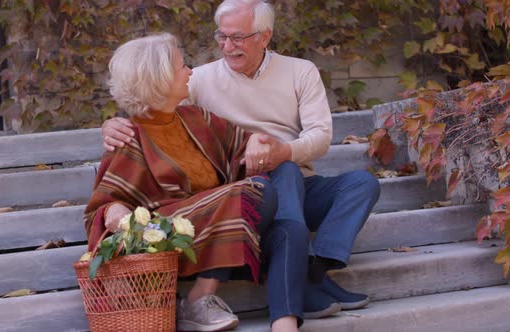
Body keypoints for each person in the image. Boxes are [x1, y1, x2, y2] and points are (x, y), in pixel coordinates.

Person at [102, 0, 381, 326]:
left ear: (264, 37)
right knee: (278, 195)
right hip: (239, 195)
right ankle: (292, 282)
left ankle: (311, 274)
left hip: (289, 182)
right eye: (222, 36)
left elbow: (319, 136)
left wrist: (278, 150)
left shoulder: (299, 71)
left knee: (355, 183)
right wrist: (112, 124)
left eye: (237, 37)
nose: (225, 46)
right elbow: (149, 101)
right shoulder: (199, 82)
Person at [85, 33, 309, 332]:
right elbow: (104, 205)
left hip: (220, 222)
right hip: (169, 234)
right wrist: (113, 210)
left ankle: (286, 325)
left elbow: (242, 147)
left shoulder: (196, 117)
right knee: (254, 192)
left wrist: (257, 139)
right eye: (181, 66)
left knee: (289, 224)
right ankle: (199, 297)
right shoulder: (130, 136)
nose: (190, 71)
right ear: (160, 78)